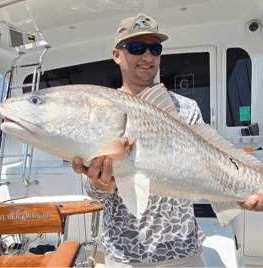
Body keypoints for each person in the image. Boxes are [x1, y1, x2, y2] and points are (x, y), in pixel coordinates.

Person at [72, 13, 263, 268]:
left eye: (155, 48)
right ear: (116, 55)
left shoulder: (186, 108)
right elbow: (93, 192)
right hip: (126, 255)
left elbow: (209, 168)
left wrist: (238, 191)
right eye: (137, 47)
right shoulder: (102, 109)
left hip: (184, 250)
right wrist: (101, 184)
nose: (147, 57)